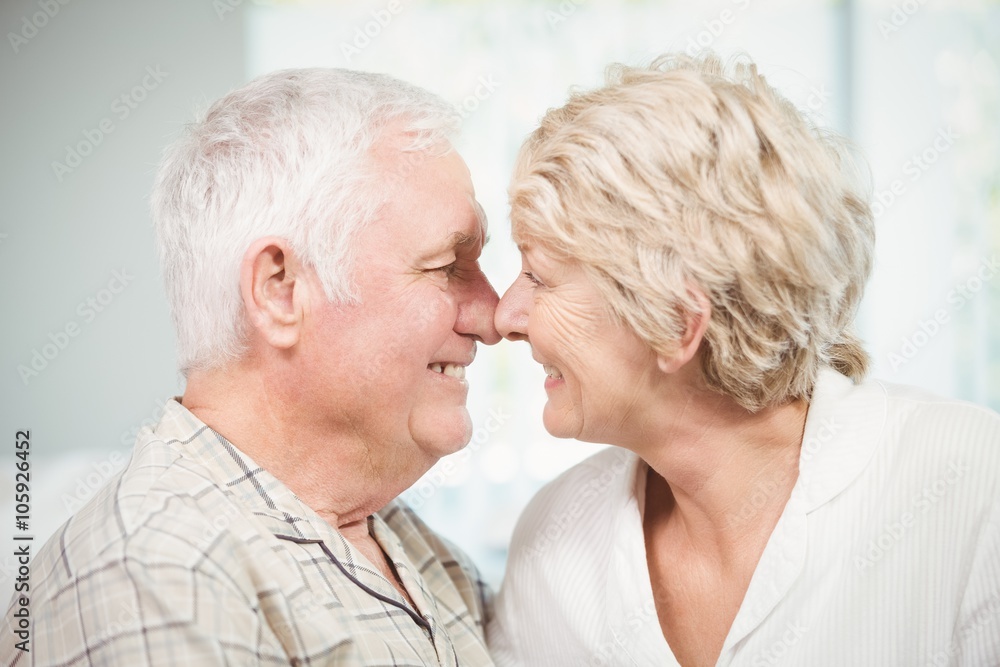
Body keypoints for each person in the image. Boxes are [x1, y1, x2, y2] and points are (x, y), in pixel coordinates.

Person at [487, 53, 1000, 666]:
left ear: (678, 321)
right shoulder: (550, 540)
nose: (504, 317)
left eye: (539, 277)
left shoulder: (972, 488)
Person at [3, 69, 501, 665]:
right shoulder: (156, 575)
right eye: (448, 265)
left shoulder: (413, 549)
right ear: (280, 290)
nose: (494, 315)